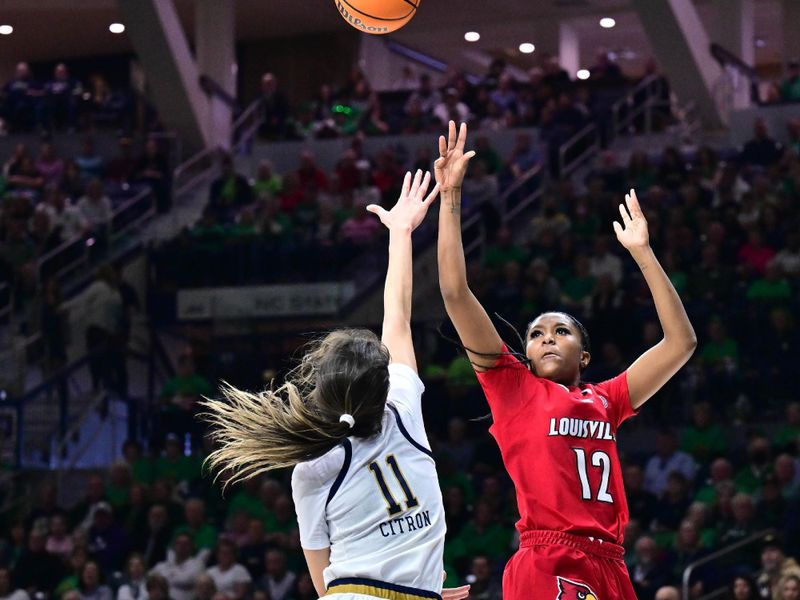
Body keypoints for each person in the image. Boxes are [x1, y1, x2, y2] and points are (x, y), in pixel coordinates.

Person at [434, 121, 697, 599]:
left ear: (585, 354)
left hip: (611, 563)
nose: (547, 338)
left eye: (562, 331)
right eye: (536, 334)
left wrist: (642, 254)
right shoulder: (513, 387)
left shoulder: (607, 399)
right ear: (526, 354)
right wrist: (450, 199)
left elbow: (681, 343)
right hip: (549, 556)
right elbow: (454, 292)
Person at [201, 171, 470, 600]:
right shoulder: (402, 407)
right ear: (381, 387)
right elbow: (397, 316)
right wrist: (401, 233)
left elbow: (325, 581)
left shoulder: (310, 468)